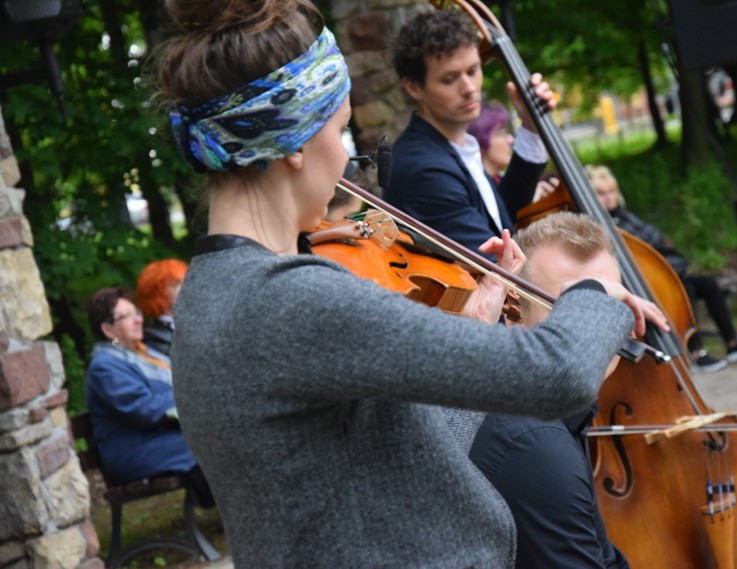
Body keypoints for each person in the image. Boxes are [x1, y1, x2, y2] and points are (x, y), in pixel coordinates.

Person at [155, 1, 666, 566]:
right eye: (342, 129)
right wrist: (592, 295)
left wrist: (470, 329)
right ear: (295, 144)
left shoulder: (212, 290)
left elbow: (364, 453)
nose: (348, 157)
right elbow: (559, 374)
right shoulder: (288, 299)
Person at [469, 212, 633, 569]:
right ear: (513, 314)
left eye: (607, 301)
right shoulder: (536, 443)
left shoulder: (553, 413)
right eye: (571, 306)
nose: (594, 322)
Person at [385, 10, 554, 256]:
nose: (469, 88)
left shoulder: (452, 145)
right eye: (449, 79)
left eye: (473, 71)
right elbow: (495, 266)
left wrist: (530, 127)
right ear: (413, 87)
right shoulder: (425, 170)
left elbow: (501, 216)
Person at [586, 164, 737, 372]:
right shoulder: (601, 225)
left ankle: (733, 343)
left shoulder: (624, 216)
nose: (609, 197)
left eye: (611, 191)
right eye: (601, 193)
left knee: (708, 284)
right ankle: (694, 352)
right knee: (685, 288)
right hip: (638, 282)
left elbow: (653, 240)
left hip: (658, 271)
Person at [84, 286, 214, 507]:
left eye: (137, 313)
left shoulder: (145, 354)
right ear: (108, 330)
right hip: (134, 450)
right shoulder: (104, 366)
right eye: (127, 316)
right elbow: (145, 409)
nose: (138, 320)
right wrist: (192, 397)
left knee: (220, 433)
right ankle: (237, 510)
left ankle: (236, 508)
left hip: (157, 438)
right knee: (211, 440)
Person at [467, 101, 557, 203]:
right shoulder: (473, 193)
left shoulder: (502, 180)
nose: (511, 140)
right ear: (478, 141)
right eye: (501, 133)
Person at [136, 258, 188, 356]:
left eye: (185, 282)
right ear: (157, 293)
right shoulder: (150, 338)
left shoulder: (194, 325)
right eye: (175, 285)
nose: (184, 288)